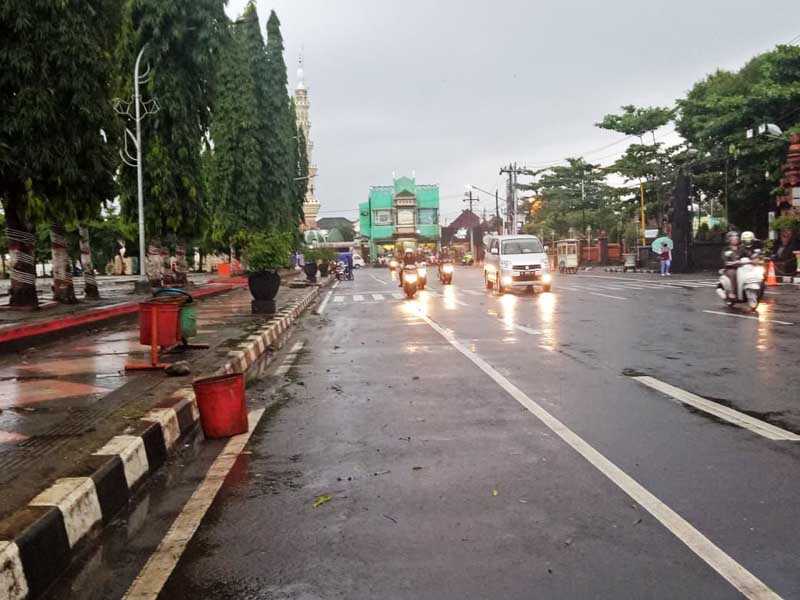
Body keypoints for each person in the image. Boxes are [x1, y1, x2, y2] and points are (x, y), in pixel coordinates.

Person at [721, 231, 743, 298]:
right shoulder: (726, 249)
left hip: (742, 267)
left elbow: (748, 255)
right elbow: (724, 259)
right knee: (733, 273)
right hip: (730, 268)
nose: (735, 239)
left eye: (736, 238)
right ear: (729, 240)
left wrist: (754, 258)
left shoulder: (741, 248)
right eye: (733, 238)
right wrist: (730, 262)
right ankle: (732, 292)